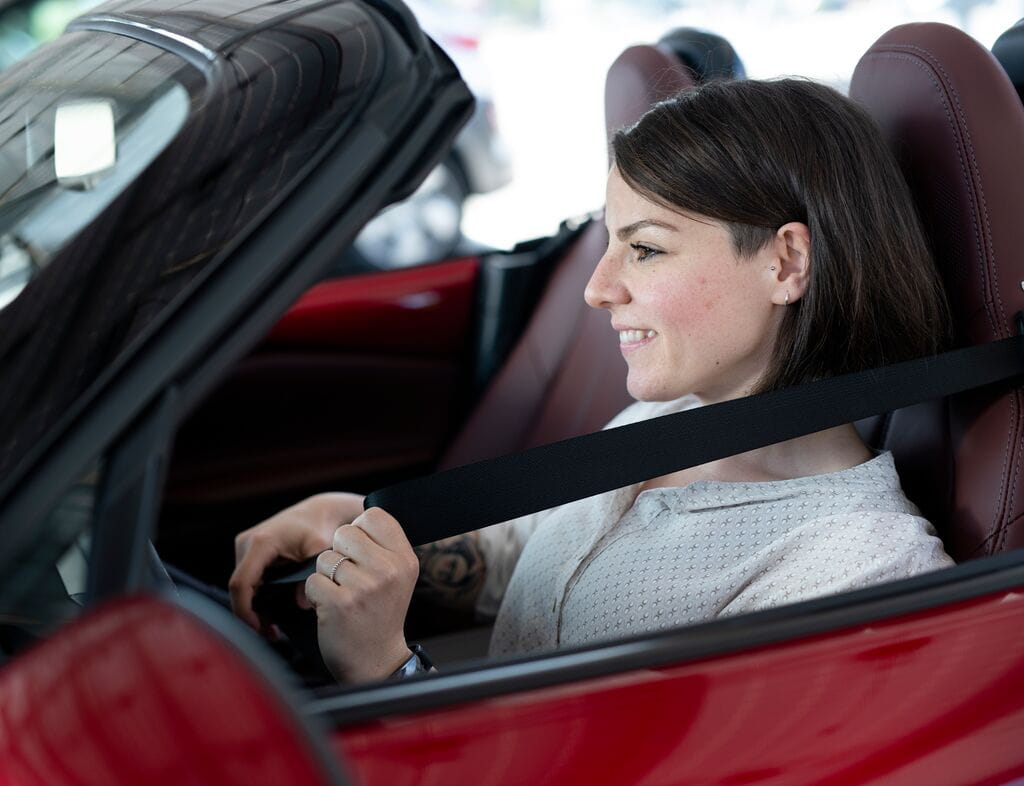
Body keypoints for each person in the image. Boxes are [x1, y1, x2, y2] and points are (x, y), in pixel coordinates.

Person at [229, 78, 955, 684]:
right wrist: (366, 535)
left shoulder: (854, 569)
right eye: (609, 244)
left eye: (646, 249)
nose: (598, 289)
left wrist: (386, 672)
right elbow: (525, 563)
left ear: (786, 263)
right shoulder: (667, 423)